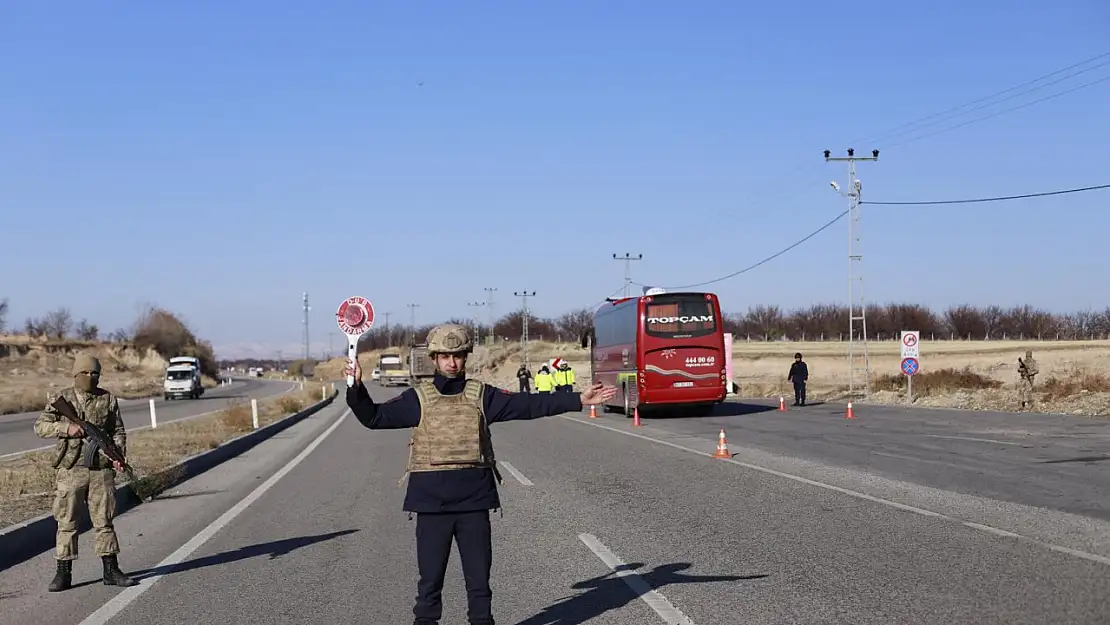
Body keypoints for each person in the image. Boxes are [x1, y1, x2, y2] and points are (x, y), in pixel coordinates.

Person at [345, 323, 616, 625]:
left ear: (465, 357)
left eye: (458, 355)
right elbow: (374, 417)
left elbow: (527, 405)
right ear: (434, 358)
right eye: (445, 356)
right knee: (429, 588)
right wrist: (355, 388)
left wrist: (577, 399)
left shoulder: (481, 395)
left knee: (479, 588)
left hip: (474, 503)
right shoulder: (417, 399)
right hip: (431, 507)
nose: (452, 362)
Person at [33, 354, 138, 592]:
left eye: (95, 374)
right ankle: (63, 572)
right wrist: (66, 428)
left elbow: (118, 430)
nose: (91, 378)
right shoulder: (63, 398)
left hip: (101, 470)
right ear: (76, 374)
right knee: (66, 522)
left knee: (104, 521)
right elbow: (40, 426)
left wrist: (117, 456)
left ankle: (111, 570)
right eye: (86, 373)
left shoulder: (108, 399)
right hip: (70, 470)